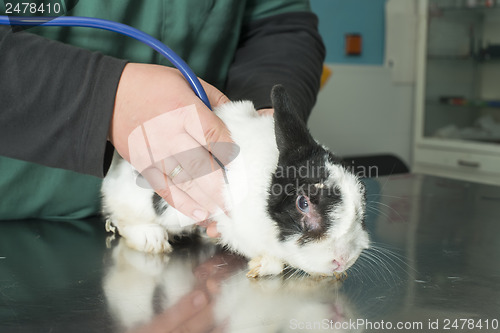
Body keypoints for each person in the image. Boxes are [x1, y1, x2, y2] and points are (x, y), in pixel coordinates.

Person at [0, 0, 325, 232]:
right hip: (17, 231)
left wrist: (266, 121)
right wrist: (107, 97)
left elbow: (279, 23)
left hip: (186, 229)